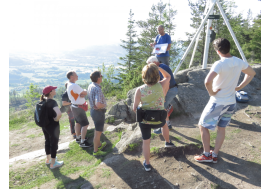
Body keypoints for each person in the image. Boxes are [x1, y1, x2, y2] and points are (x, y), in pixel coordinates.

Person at [194, 38, 256, 163]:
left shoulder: (219, 64)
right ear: (229, 48)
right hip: (231, 102)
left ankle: (206, 155)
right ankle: (215, 155)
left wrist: (211, 93)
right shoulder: (238, 61)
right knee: (221, 128)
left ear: (218, 51)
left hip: (217, 102)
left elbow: (207, 81)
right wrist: (239, 87)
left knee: (203, 126)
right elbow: (251, 73)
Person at [133, 63, 175, 172]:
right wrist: (159, 67)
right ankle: (168, 142)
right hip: (159, 119)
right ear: (157, 75)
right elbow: (168, 76)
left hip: (145, 121)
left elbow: (134, 108)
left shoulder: (139, 90)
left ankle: (147, 164)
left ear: (143, 76)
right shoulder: (162, 85)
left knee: (146, 142)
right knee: (165, 125)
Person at [146, 56, 178, 134]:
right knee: (163, 108)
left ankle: (162, 127)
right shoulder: (161, 67)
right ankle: (168, 125)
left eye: (149, 64)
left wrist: (163, 96)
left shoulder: (161, 68)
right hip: (170, 89)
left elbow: (167, 83)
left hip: (170, 90)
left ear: (154, 63)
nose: (148, 66)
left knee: (161, 108)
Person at [66, 71, 91, 148]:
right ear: (71, 77)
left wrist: (81, 94)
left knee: (78, 122)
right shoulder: (74, 85)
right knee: (85, 124)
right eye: (76, 75)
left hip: (74, 106)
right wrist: (84, 91)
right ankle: (83, 142)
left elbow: (79, 94)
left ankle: (78, 137)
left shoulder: (69, 85)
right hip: (79, 107)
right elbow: (85, 92)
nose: (77, 76)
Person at [41, 86, 64, 169]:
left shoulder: (43, 101)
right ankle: (53, 163)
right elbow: (59, 114)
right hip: (53, 126)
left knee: (47, 141)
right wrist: (56, 119)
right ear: (50, 92)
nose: (55, 90)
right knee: (54, 143)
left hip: (45, 125)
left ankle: (48, 159)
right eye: (54, 89)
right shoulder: (52, 102)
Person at [87, 71, 107, 156]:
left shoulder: (91, 86)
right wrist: (105, 104)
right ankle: (96, 151)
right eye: (101, 76)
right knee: (98, 132)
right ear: (98, 78)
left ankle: (99, 145)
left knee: (97, 130)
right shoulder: (97, 89)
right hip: (98, 112)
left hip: (93, 111)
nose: (102, 77)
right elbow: (98, 104)